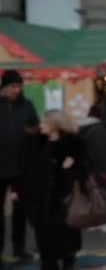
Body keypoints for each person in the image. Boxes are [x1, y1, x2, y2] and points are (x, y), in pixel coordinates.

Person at [30, 110, 87, 270]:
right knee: (46, 246)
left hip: (64, 201)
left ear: (54, 124)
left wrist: (72, 166)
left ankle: (66, 259)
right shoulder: (39, 142)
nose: (40, 125)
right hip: (43, 201)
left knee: (65, 240)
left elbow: (83, 171)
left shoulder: (73, 144)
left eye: (43, 122)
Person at [0, 70, 38, 265]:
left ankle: (19, 247)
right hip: (1, 165)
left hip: (21, 167)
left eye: (18, 86)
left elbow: (35, 130)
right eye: (12, 86)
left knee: (20, 212)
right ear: (4, 87)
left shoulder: (27, 106)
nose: (16, 90)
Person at [77, 106, 106, 233]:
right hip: (101, 169)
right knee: (103, 197)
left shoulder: (82, 127)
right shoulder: (99, 130)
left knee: (92, 197)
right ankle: (105, 222)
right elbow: (102, 152)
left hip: (88, 168)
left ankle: (92, 222)